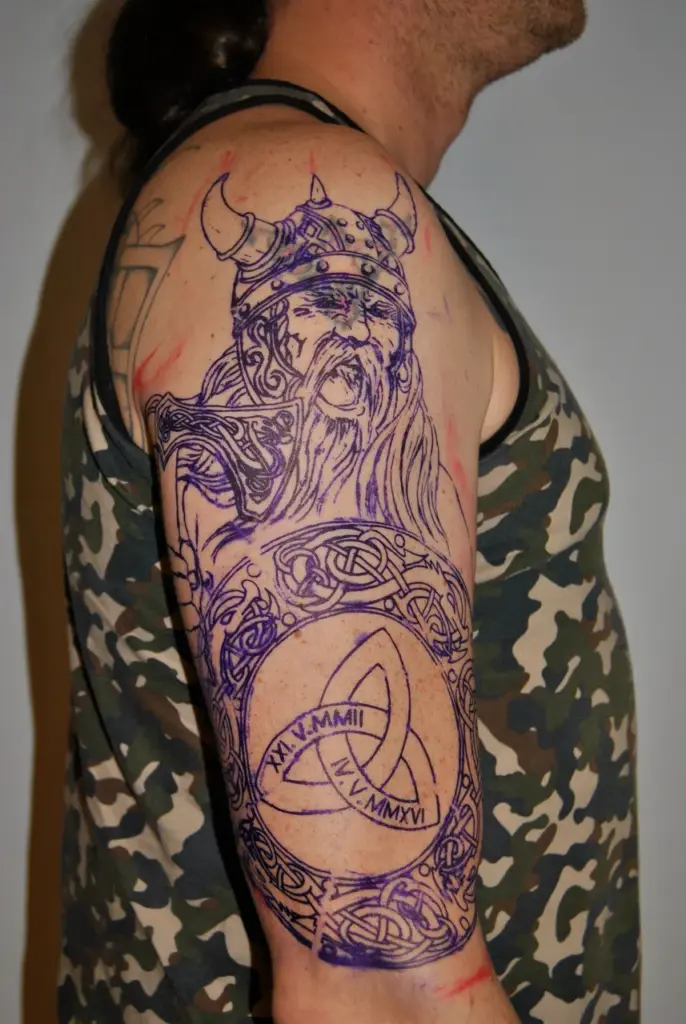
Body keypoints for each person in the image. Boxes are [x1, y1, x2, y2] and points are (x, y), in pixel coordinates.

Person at [59, 0, 639, 1021]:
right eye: (324, 305)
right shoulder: (291, 186)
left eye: (367, 307)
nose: (355, 327)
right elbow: (380, 989)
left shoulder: (301, 182)